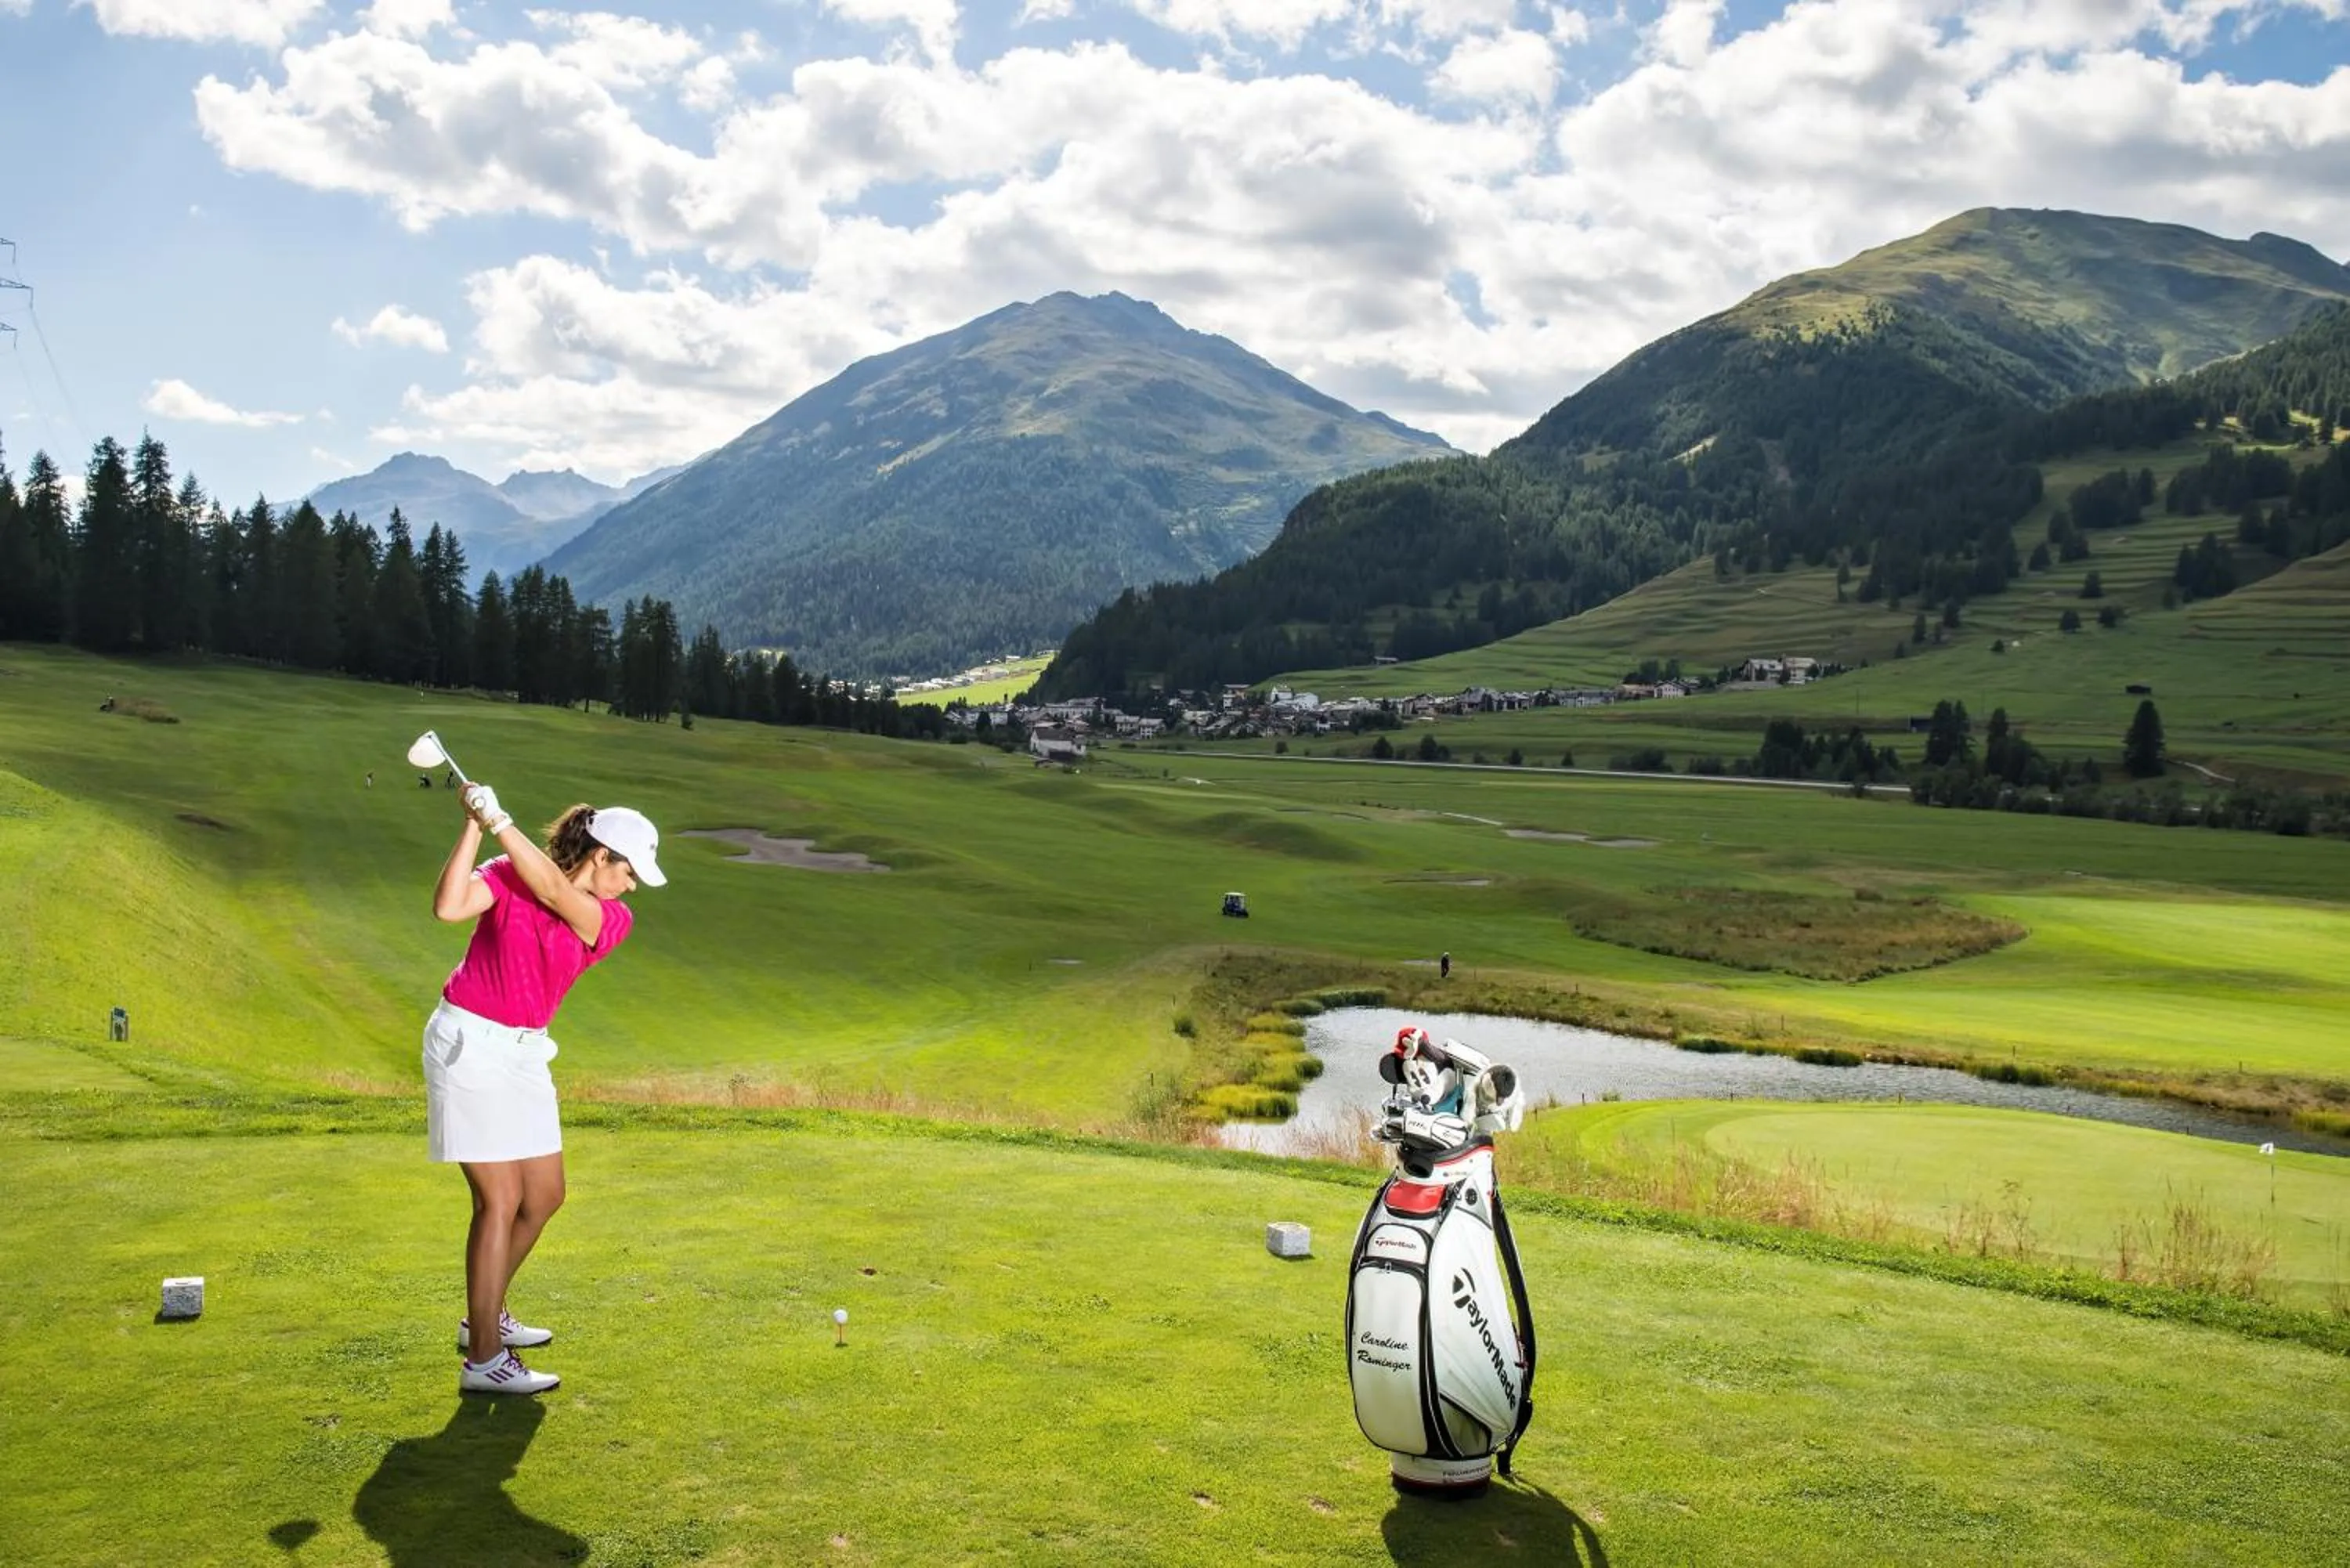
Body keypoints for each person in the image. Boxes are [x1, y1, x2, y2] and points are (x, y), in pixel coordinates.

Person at [425, 786, 667, 1395]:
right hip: (468, 1043)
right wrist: (474, 825)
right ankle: (484, 1357)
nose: (632, 886)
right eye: (630, 872)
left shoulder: (611, 919)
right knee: (500, 1199)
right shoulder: (509, 873)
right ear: (603, 855)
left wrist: (500, 818)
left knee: (545, 1195)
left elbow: (557, 892)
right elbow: (449, 908)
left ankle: (484, 1315)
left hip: (526, 1053)